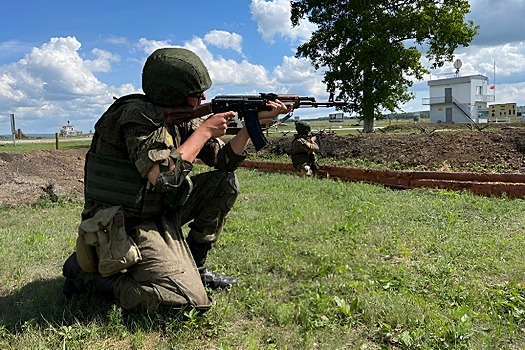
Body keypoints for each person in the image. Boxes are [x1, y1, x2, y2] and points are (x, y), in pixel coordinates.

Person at [62, 47, 291, 313]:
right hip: (124, 221)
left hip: (160, 209)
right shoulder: (137, 117)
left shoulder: (180, 117)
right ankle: (93, 280)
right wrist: (205, 131)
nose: (203, 98)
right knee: (189, 301)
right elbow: (163, 177)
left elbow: (224, 162)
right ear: (172, 93)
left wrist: (253, 122)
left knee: (224, 182)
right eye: (196, 95)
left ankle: (197, 266)